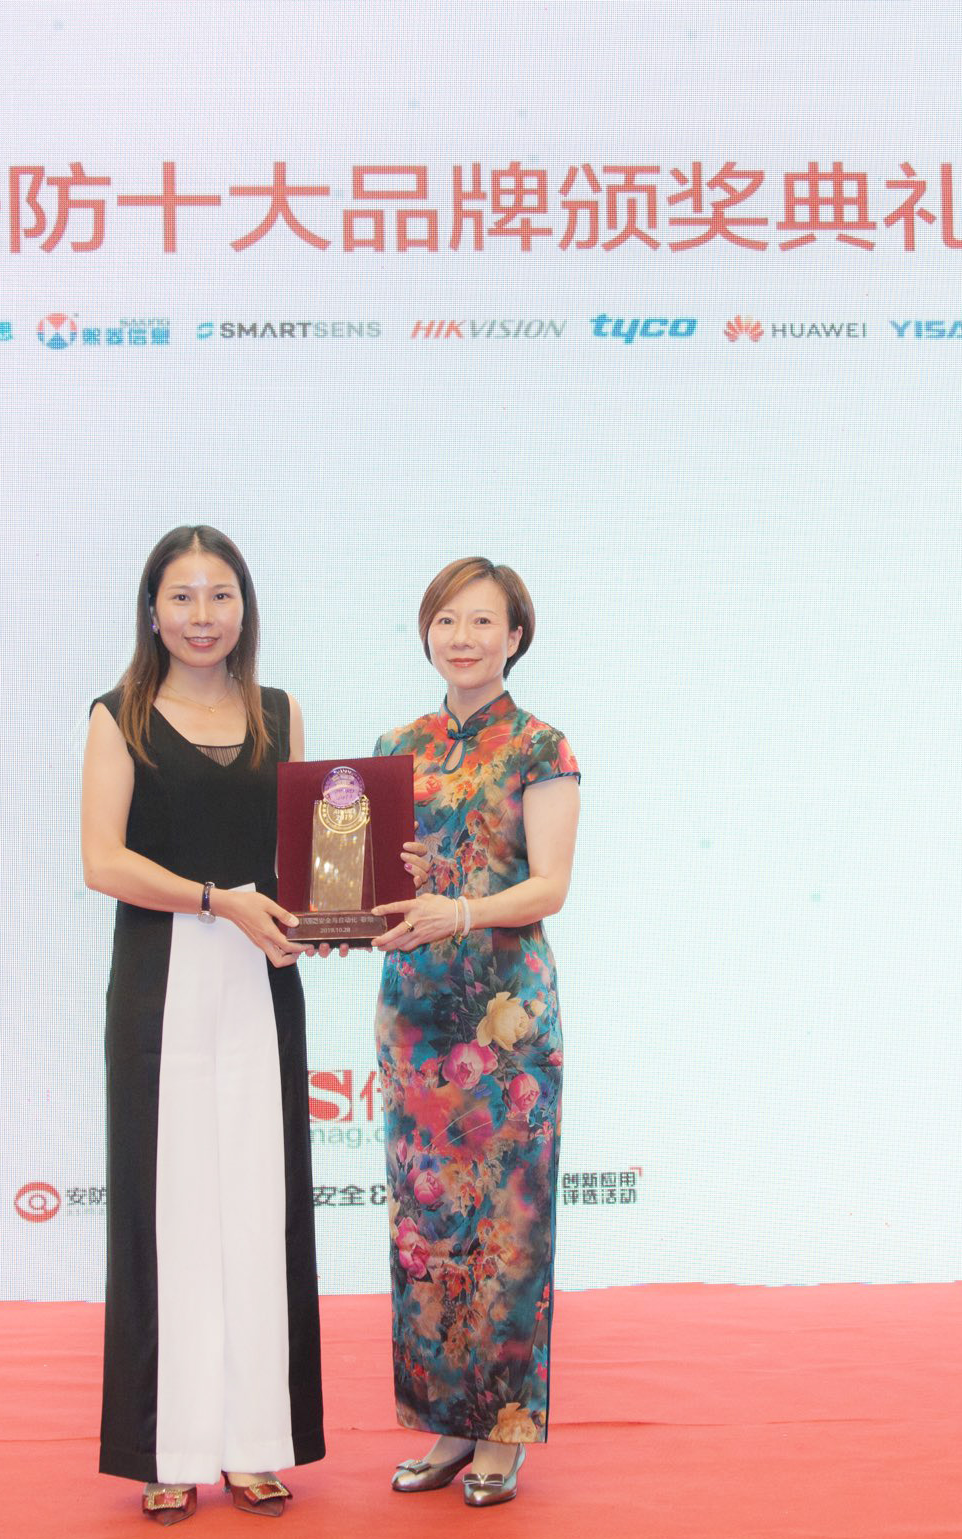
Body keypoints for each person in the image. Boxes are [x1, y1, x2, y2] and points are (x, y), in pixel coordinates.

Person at [81, 525, 325, 1524]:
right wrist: (216, 899)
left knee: (261, 1208)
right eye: (180, 597)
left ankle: (255, 1444)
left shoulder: (279, 712)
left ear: (244, 607)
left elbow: (307, 855)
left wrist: (332, 911)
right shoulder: (118, 717)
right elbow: (102, 861)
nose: (201, 616)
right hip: (162, 984)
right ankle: (169, 1448)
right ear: (152, 611)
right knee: (169, 1212)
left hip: (262, 978)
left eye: (219, 595)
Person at [369, 558, 581, 1509]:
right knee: (425, 1225)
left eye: (483, 621)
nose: (463, 637)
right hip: (414, 1014)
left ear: (516, 636)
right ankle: (446, 1423)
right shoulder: (395, 746)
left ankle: (502, 1430)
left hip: (503, 1021)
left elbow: (548, 886)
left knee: (505, 1225)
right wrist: (372, 895)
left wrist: (458, 908)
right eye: (447, 619)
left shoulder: (541, 746)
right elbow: (380, 877)